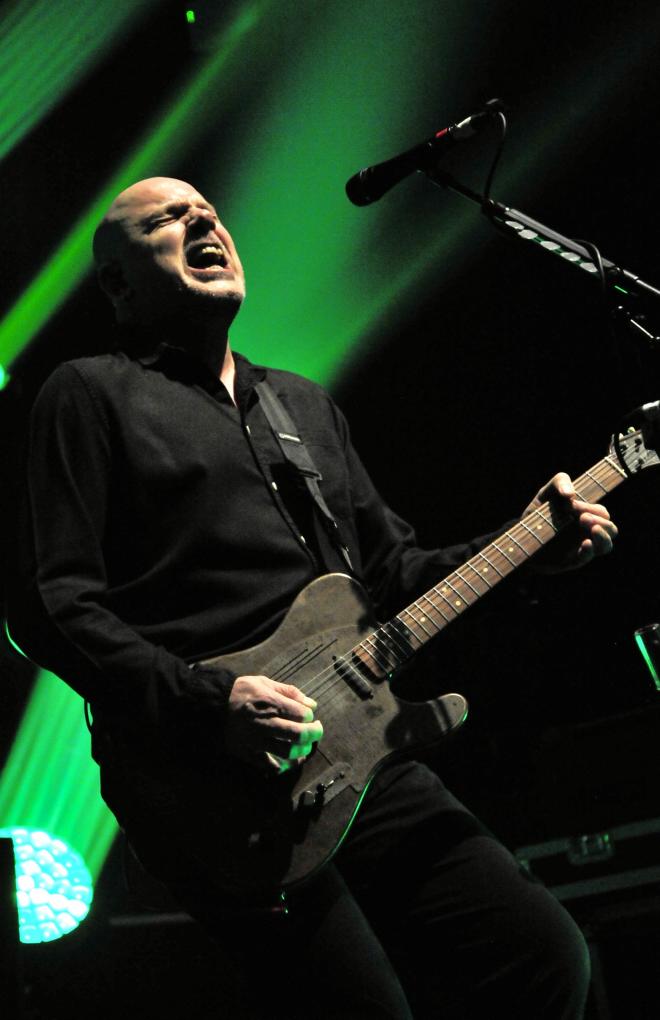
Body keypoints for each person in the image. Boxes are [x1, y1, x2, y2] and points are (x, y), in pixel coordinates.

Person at [9, 177, 618, 1019]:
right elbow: (51, 607)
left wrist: (527, 548)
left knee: (543, 955)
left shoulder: (301, 406)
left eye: (209, 211)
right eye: (169, 219)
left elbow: (394, 578)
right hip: (211, 787)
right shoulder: (87, 394)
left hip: (360, 748)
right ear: (118, 283)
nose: (203, 220)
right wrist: (212, 700)